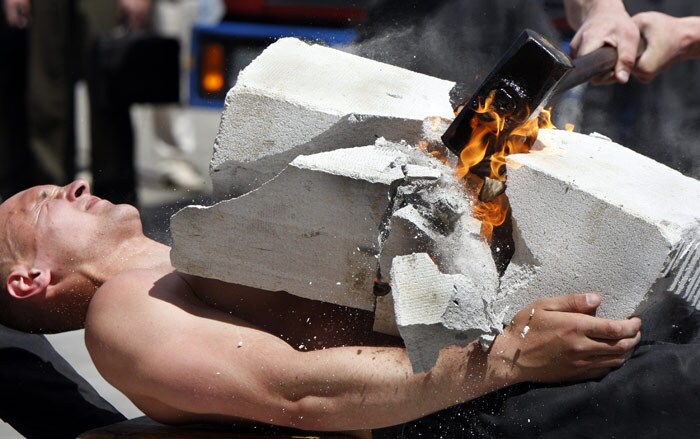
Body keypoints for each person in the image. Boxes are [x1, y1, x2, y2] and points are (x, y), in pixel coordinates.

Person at [0, 180, 641, 435]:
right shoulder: (122, 311)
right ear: (29, 280)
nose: (75, 185)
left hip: (495, 376)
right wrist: (508, 360)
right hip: (468, 411)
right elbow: (299, 392)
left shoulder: (178, 261)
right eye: (44, 203)